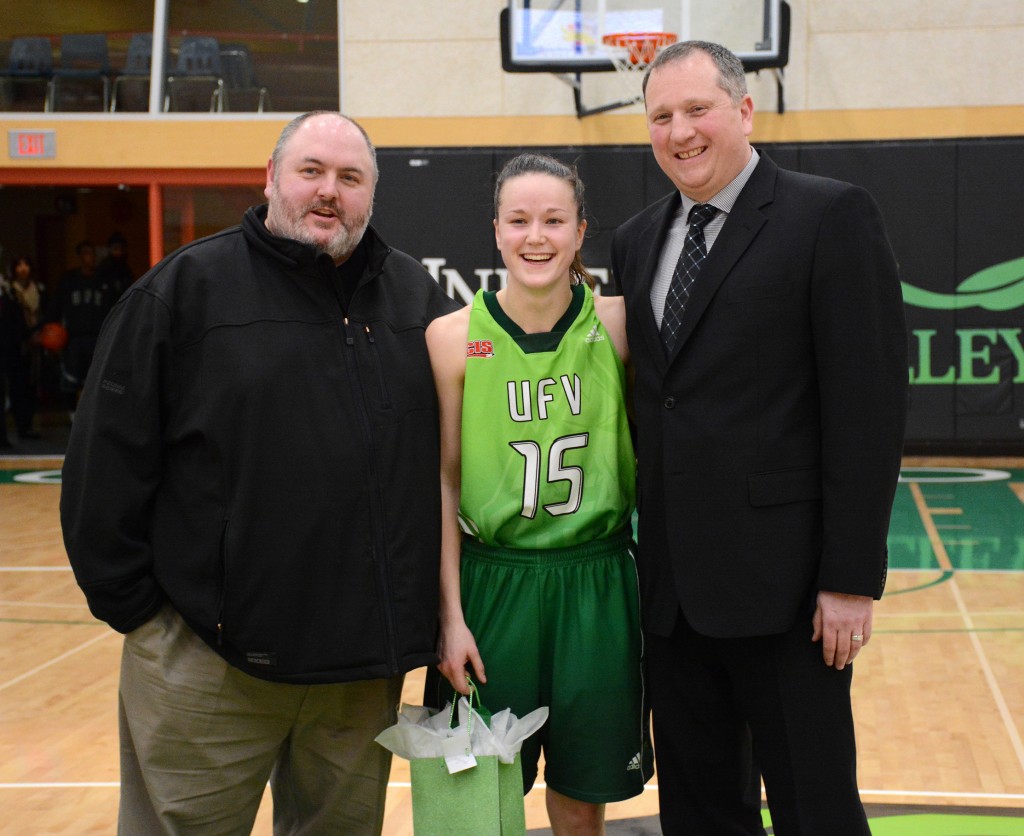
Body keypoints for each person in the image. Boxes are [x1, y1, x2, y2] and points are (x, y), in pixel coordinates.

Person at [61, 111, 459, 835]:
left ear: (373, 195)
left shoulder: (416, 301)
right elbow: (102, 470)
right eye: (311, 171)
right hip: (208, 667)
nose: (329, 192)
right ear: (271, 178)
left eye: (350, 178)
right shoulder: (183, 292)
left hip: (357, 678)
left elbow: (449, 469)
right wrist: (146, 620)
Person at [610, 42, 908, 834]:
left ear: (743, 111)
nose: (680, 131)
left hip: (789, 595)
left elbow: (868, 407)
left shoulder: (828, 214)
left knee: (815, 810)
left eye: (696, 110)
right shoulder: (636, 240)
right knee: (701, 813)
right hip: (672, 599)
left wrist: (850, 577)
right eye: (661, 117)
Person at [427, 153, 653, 835]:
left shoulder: (618, 327)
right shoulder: (452, 338)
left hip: (600, 583)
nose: (536, 237)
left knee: (582, 806)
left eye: (554, 220)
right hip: (495, 585)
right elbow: (442, 480)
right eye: (519, 220)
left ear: (580, 231)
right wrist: (449, 616)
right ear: (495, 230)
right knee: (474, 807)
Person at [45, 239, 114, 418]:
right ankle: (73, 415)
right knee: (70, 381)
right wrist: (48, 330)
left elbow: (115, 309)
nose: (91, 257)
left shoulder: (105, 280)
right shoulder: (69, 281)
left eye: (93, 253)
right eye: (87, 253)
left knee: (99, 381)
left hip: (98, 339)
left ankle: (96, 417)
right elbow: (55, 309)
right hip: (74, 340)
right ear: (80, 257)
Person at [1, 255, 48, 441]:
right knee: (17, 386)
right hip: (17, 346)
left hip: (37, 344)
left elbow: (45, 313)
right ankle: (21, 425)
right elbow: (10, 321)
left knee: (33, 386)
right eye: (19, 265)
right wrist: (25, 337)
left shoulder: (39, 290)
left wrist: (38, 334)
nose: (23, 268)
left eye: (26, 265)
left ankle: (28, 424)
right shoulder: (9, 291)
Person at [95, 231, 134, 299]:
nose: (119, 252)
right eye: (116, 249)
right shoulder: (103, 269)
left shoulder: (126, 270)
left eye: (121, 249)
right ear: (110, 249)